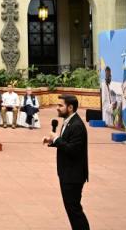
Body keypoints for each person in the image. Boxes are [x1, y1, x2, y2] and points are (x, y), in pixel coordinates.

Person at [43, 95, 90, 230]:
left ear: (70, 107)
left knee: (74, 210)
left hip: (73, 175)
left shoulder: (77, 126)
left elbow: (73, 150)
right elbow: (67, 143)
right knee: (71, 209)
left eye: (60, 105)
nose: (57, 108)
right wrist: (52, 142)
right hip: (67, 173)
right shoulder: (68, 121)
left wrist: (57, 139)